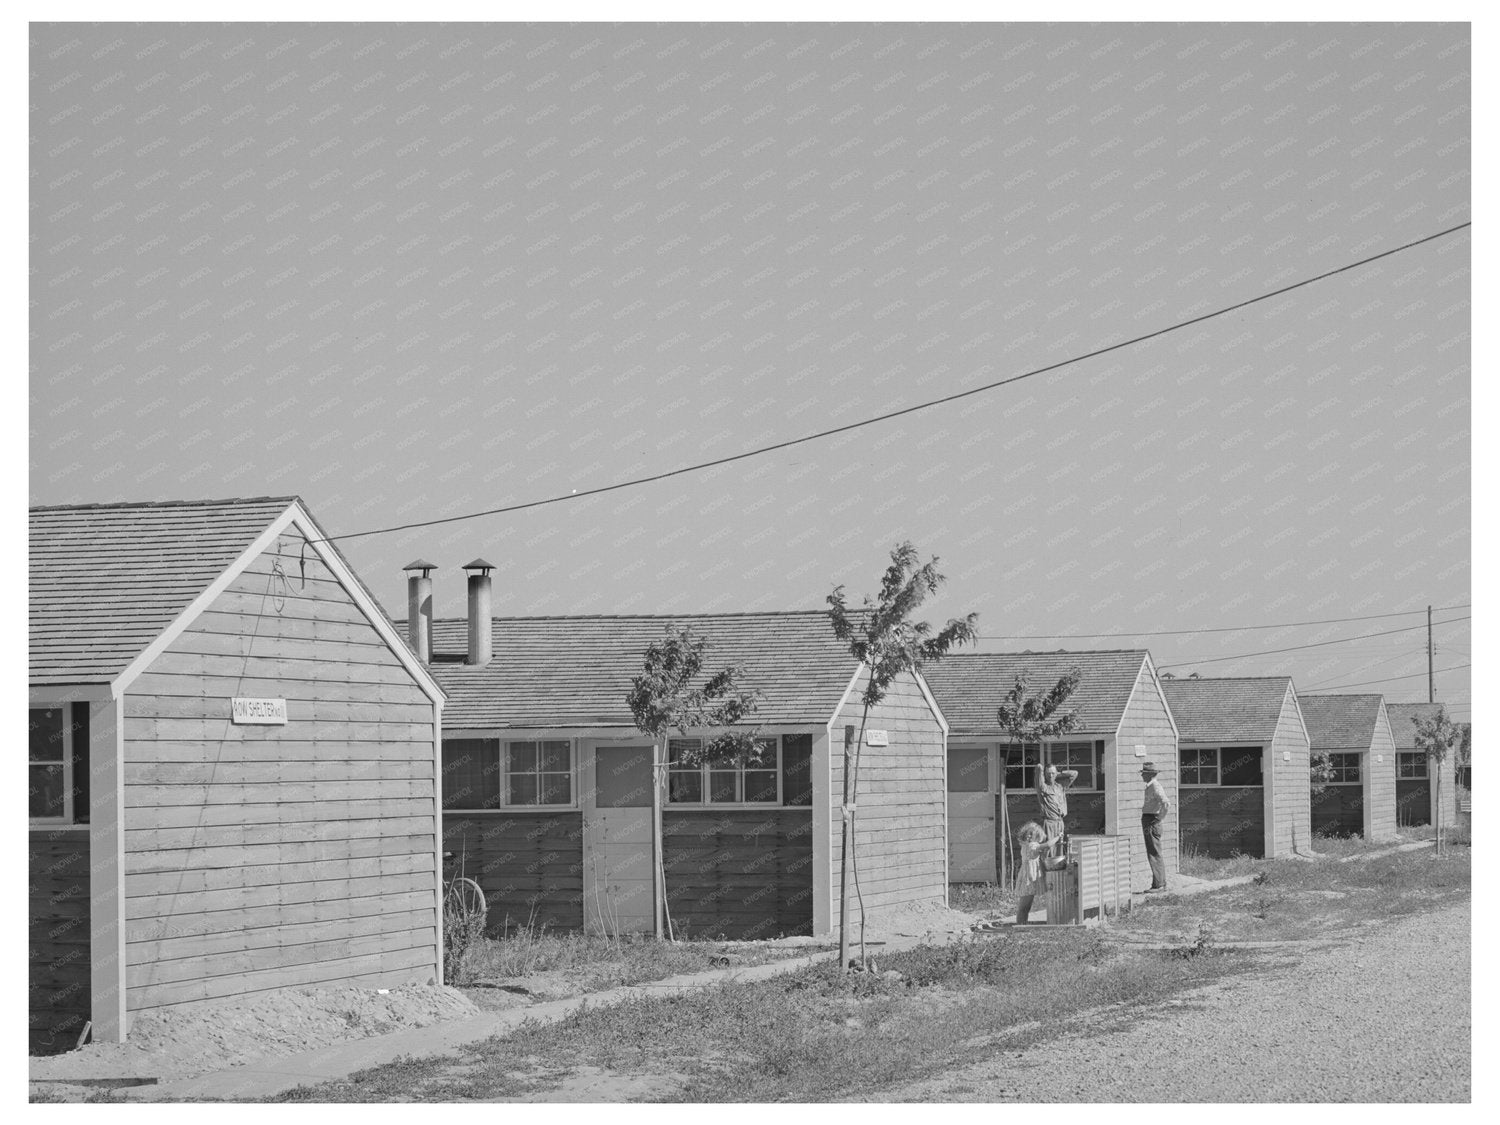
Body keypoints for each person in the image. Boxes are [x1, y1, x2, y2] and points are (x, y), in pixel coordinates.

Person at [1034, 759, 1078, 854]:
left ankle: (1058, 868)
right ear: (1044, 774)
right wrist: (1045, 771)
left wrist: (1059, 773)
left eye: (1052, 773)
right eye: (1048, 773)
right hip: (1049, 823)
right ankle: (1046, 868)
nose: (1050, 775)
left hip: (1060, 822)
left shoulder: (1060, 786)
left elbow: (1074, 773)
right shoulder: (1042, 787)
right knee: (1048, 850)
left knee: (1060, 848)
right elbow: (1039, 767)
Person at [1140, 761, 1171, 891]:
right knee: (1153, 851)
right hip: (1149, 818)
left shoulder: (1155, 786)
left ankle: (1159, 884)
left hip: (1152, 819)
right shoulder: (1150, 786)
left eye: (1144, 773)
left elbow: (1166, 803)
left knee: (1154, 852)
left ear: (1149, 774)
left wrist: (1159, 818)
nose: (1142, 776)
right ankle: (1158, 883)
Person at [1014, 820, 1050, 924]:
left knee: (1027, 905)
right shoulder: (1031, 845)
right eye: (1028, 834)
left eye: (1032, 834)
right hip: (1028, 877)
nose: (1029, 836)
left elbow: (1042, 857)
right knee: (1024, 905)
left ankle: (1022, 924)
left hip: (1029, 876)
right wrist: (1058, 837)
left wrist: (1045, 852)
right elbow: (1048, 844)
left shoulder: (1030, 845)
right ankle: (1020, 925)